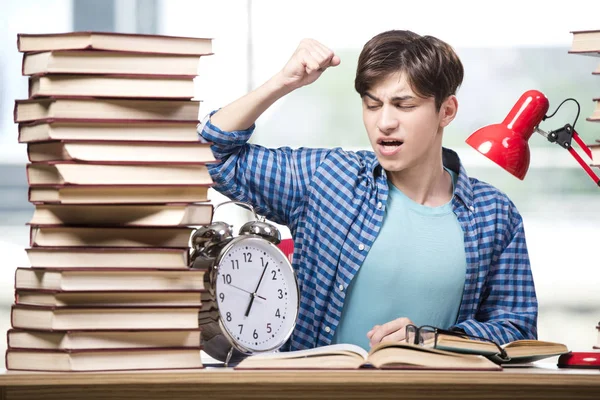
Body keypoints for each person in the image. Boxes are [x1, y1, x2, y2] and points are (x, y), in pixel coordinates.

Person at [199, 30, 538, 351]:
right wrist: (282, 82)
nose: (384, 122)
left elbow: (517, 329)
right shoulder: (328, 179)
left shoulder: (494, 214)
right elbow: (209, 152)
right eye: (373, 105)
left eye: (404, 105)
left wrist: (432, 340)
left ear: (446, 111)